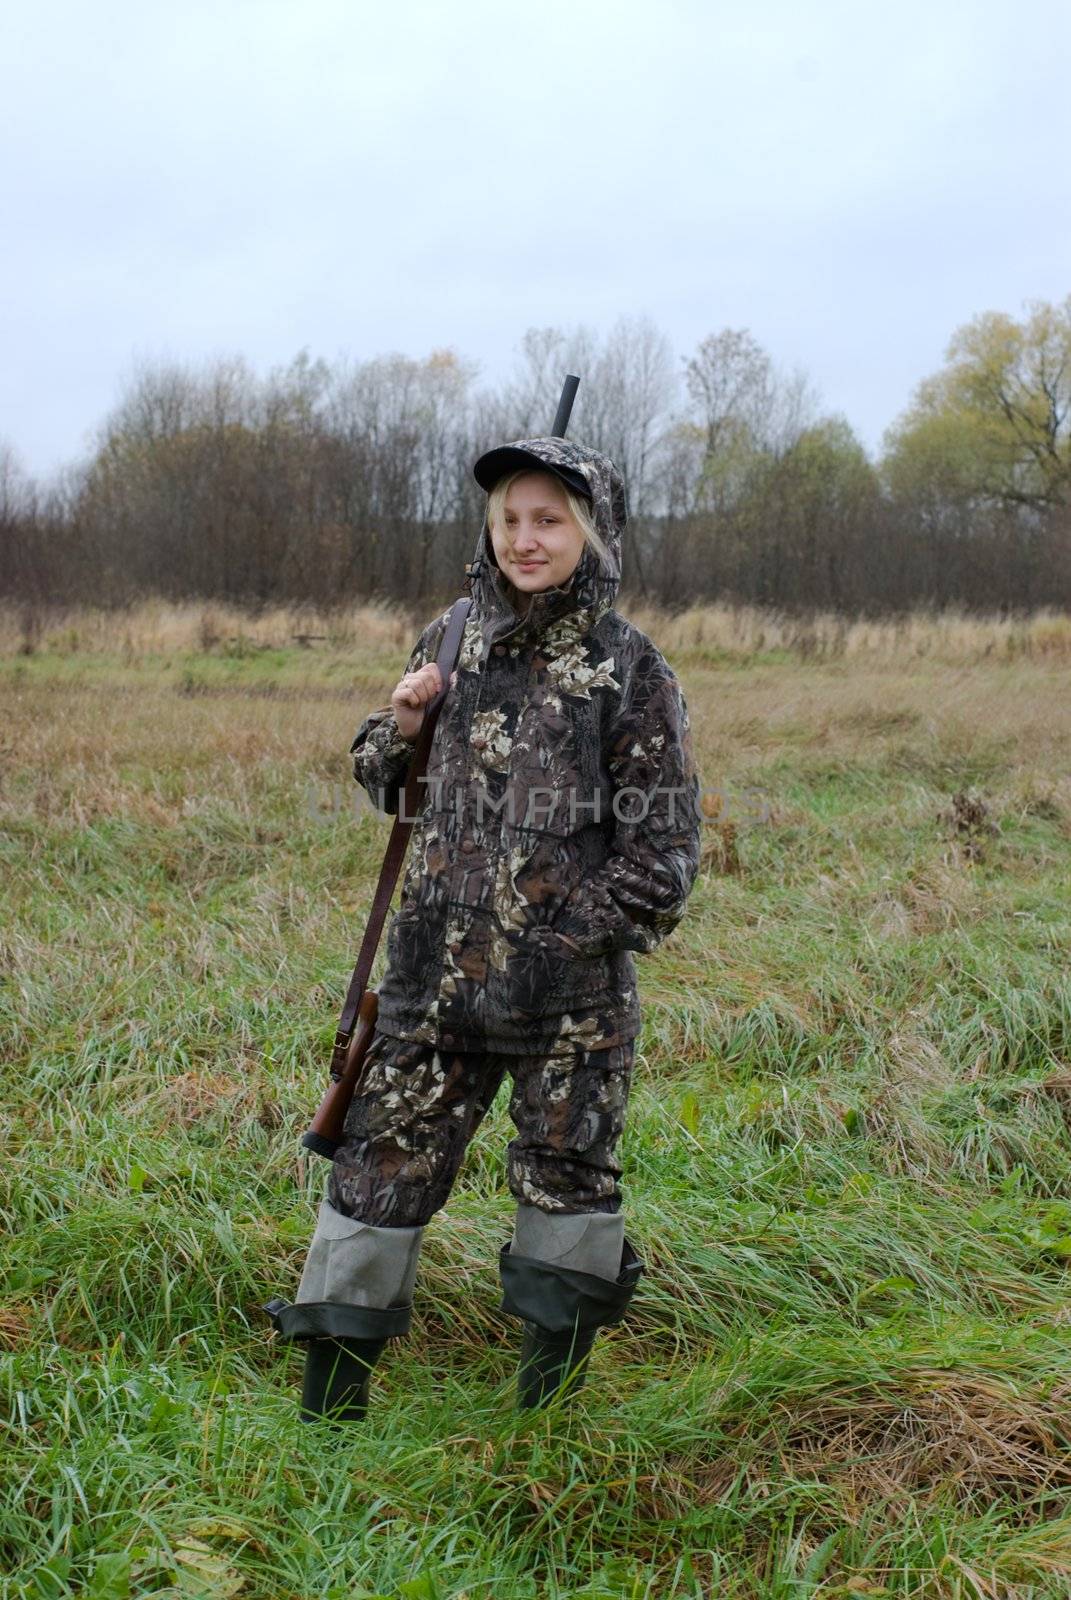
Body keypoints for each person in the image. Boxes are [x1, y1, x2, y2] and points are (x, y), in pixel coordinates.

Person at [266, 434, 702, 1422]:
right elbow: (381, 777)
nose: (525, 538)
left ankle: (547, 1425)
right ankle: (327, 1426)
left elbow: (665, 860)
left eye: (549, 518)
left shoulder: (630, 672)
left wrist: (551, 939)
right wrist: (405, 725)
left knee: (567, 1197)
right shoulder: (450, 635)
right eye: (510, 518)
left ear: (592, 531)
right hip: (429, 992)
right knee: (373, 1185)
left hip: (570, 1010)